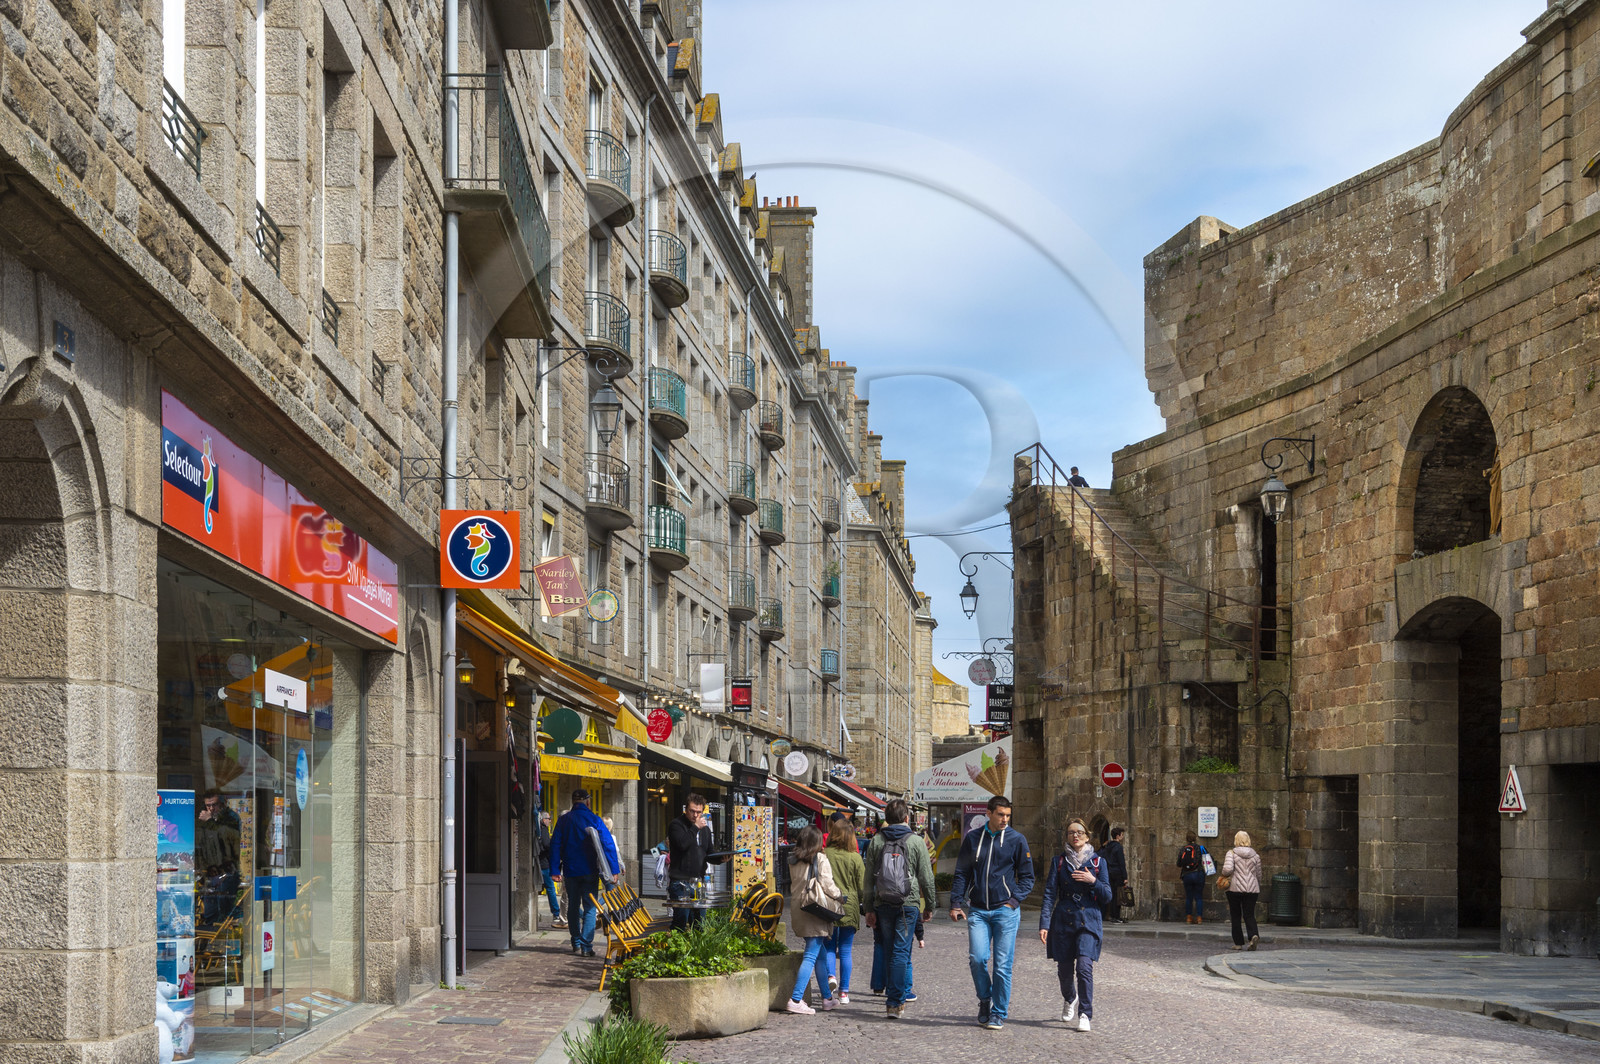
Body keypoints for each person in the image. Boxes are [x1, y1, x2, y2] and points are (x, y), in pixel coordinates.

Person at [949, 794, 1035, 1030]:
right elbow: (962, 873)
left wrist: (1014, 900)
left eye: (1008, 815)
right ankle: (985, 999)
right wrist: (956, 903)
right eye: (1000, 814)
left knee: (1002, 965)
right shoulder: (973, 838)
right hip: (977, 910)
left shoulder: (1017, 840)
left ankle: (998, 1012)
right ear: (988, 813)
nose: (1005, 819)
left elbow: (1028, 877)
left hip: (1005, 911)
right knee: (977, 959)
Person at [863, 798, 935, 1020]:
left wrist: (868, 909)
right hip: (908, 903)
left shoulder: (876, 841)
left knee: (888, 949)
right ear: (906, 818)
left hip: (883, 902)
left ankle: (894, 998)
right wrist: (930, 906)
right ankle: (895, 1001)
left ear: (886, 819)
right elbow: (926, 877)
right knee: (902, 951)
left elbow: (868, 879)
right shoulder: (915, 841)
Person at [1040, 818, 1112, 1032]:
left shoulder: (1099, 862)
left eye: (1080, 832)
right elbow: (1049, 894)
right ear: (1067, 837)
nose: (1076, 836)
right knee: (1064, 970)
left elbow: (1107, 895)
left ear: (1087, 836)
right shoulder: (1059, 862)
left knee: (1084, 967)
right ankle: (1070, 997)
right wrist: (1044, 923)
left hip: (1088, 919)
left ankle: (1085, 1014)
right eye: (1071, 832)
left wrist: (1093, 881)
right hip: (1063, 920)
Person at [549, 789, 621, 958]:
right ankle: (586, 946)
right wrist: (614, 869)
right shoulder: (594, 819)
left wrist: (554, 869)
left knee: (573, 906)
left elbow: (555, 845)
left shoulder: (563, 820)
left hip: (571, 870)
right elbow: (608, 844)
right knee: (589, 907)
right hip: (589, 869)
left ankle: (575, 941)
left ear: (573, 802)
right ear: (588, 802)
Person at [785, 825, 843, 1014]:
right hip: (814, 910)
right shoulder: (820, 859)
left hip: (799, 909)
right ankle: (796, 998)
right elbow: (827, 884)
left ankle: (827, 998)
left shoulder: (793, 860)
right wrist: (840, 896)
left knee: (819, 953)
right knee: (811, 955)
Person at [666, 792, 731, 931]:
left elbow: (708, 852)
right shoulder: (676, 825)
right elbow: (682, 844)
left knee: (700, 923)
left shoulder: (705, 829)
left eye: (699, 812)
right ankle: (676, 950)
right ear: (686, 809)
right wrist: (695, 827)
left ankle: (696, 950)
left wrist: (720, 858)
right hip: (680, 882)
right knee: (680, 921)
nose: (695, 815)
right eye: (692, 811)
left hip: (698, 881)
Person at [824, 818, 865, 1004]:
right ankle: (844, 992)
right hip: (850, 905)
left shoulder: (825, 854)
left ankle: (831, 976)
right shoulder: (855, 857)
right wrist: (865, 905)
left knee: (830, 947)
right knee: (846, 950)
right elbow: (862, 885)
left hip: (829, 904)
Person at [1222, 830, 1263, 951]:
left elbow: (1228, 870)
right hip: (1252, 889)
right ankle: (1253, 935)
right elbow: (1259, 874)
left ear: (1236, 840)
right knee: (1249, 914)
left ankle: (1238, 943)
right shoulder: (1255, 856)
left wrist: (1223, 873)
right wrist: (1256, 885)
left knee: (1236, 915)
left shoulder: (1231, 853)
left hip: (1235, 888)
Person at [536, 811, 565, 929]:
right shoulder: (543, 830)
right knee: (551, 890)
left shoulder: (541, 830)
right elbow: (547, 845)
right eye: (548, 818)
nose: (550, 820)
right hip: (545, 864)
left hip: (543, 863)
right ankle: (557, 913)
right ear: (544, 820)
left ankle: (558, 913)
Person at [1177, 832, 1207, 924]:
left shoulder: (1183, 849)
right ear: (1195, 838)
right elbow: (1208, 859)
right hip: (1198, 874)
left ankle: (1189, 918)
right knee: (1198, 897)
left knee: (1189, 897)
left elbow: (1178, 864)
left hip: (1187, 875)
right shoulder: (1200, 848)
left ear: (1186, 839)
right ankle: (1199, 918)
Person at [1101, 827, 1128, 924]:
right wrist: (1125, 877)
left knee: (1112, 894)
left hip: (1109, 872)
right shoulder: (1118, 847)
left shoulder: (1108, 846)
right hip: (1117, 873)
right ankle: (1116, 916)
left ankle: (1112, 915)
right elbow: (1121, 863)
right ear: (1118, 836)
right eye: (1122, 834)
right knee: (1118, 896)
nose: (1122, 836)